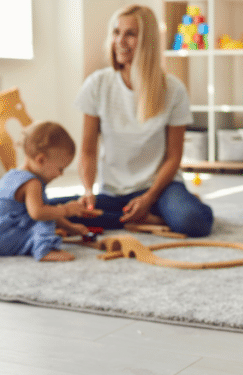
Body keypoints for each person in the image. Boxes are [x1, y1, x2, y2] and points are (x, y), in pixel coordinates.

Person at [50, 4, 213, 237]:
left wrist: (149, 197)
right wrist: (87, 190)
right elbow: (87, 151)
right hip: (113, 192)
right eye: (116, 32)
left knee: (193, 221)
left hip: (160, 189)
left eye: (130, 34)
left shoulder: (174, 90)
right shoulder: (97, 84)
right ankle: (144, 218)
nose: (120, 41)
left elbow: (174, 156)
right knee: (46, 209)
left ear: (148, 41)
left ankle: (153, 210)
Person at [0, 121, 89, 262]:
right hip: (1, 239)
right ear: (41, 160)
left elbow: (47, 211)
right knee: (44, 217)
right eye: (60, 169)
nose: (61, 175)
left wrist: (70, 227)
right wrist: (66, 209)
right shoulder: (32, 183)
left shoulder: (15, 174)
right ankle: (43, 250)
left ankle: (38, 244)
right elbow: (39, 213)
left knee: (47, 212)